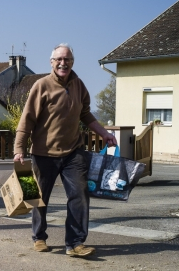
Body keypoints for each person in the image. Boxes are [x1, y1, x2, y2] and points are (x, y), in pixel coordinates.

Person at [13, 44, 117, 257]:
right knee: (38, 198)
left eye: (67, 59)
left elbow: (86, 114)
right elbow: (27, 119)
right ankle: (39, 237)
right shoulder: (41, 86)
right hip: (44, 153)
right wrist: (19, 148)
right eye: (59, 59)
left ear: (72, 62)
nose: (63, 63)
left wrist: (104, 133)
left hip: (73, 152)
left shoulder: (79, 85)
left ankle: (75, 243)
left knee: (79, 195)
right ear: (51, 62)